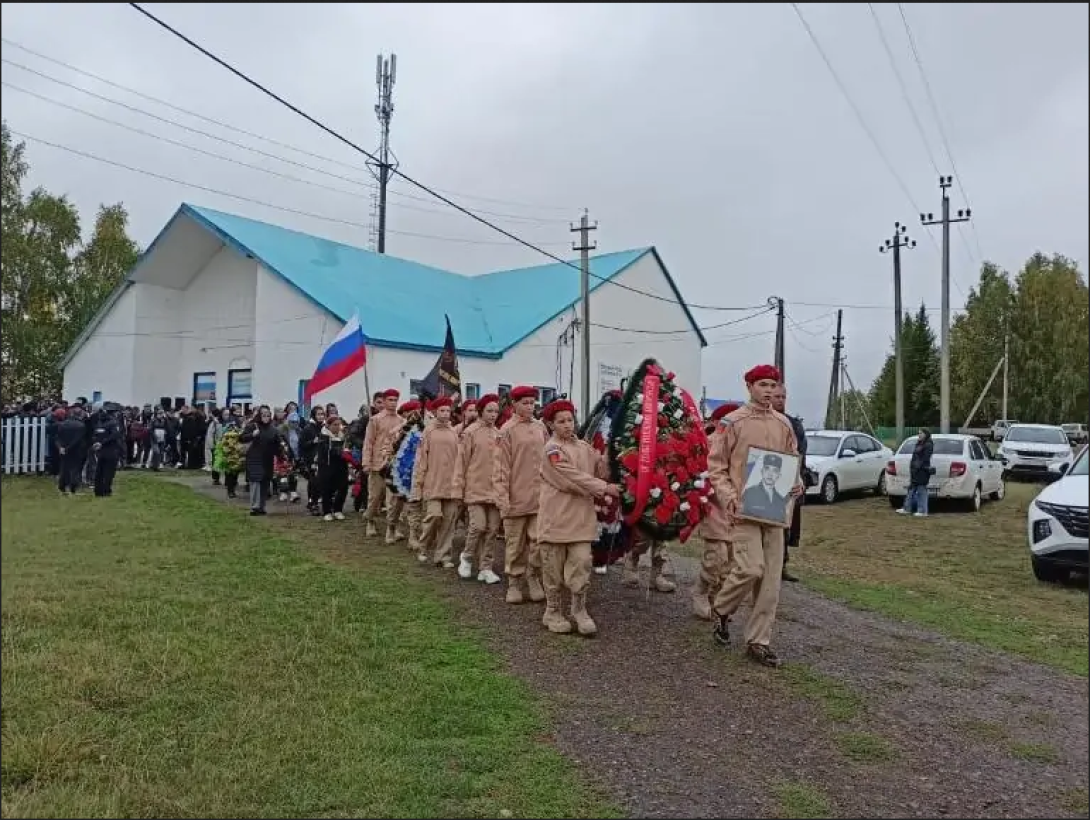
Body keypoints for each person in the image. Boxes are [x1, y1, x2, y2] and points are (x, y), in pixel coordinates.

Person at [709, 364, 802, 668]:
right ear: (748, 386)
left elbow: (792, 461)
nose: (769, 391)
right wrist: (728, 497)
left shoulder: (784, 424)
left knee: (771, 582)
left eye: (773, 385)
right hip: (744, 510)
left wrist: (796, 482)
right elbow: (717, 466)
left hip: (775, 511)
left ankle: (758, 641)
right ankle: (722, 608)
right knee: (751, 569)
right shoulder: (732, 423)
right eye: (762, 384)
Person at [537, 399, 619, 636]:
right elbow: (570, 476)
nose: (567, 425)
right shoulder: (551, 449)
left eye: (570, 420)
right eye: (561, 421)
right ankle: (552, 611)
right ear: (551, 424)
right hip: (556, 517)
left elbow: (600, 470)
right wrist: (604, 488)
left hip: (581, 519)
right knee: (553, 567)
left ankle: (579, 610)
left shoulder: (584, 447)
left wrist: (612, 455)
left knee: (582, 563)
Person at [495, 385, 548, 605]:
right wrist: (502, 498)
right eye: (524, 403)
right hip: (515, 497)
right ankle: (514, 582)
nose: (529, 406)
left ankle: (533, 577)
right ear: (514, 405)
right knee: (515, 544)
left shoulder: (540, 428)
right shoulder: (506, 430)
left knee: (539, 542)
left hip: (539, 497)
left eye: (532, 402)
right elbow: (500, 468)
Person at [692, 401, 741, 619]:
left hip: (735, 508)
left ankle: (717, 599)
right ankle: (701, 593)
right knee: (715, 557)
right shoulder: (708, 443)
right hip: (713, 506)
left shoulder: (741, 444)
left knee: (731, 561)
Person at [452, 393, 502, 584]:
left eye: (496, 411)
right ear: (481, 411)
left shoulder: (499, 434)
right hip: (474, 488)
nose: (493, 415)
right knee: (478, 525)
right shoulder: (470, 432)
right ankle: (467, 557)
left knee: (492, 529)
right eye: (489, 411)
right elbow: (461, 462)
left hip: (495, 490)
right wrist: (458, 489)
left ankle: (486, 568)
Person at [411, 397, 462, 567]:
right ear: (435, 412)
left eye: (448, 411)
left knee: (449, 521)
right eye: (442, 411)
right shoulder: (428, 432)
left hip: (451, 485)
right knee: (433, 516)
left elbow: (459, 458)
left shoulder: (454, 433)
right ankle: (423, 547)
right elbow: (421, 459)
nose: (446, 414)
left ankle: (443, 555)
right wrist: (419, 482)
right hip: (432, 483)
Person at [771, 384, 806, 582]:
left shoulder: (794, 424)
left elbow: (800, 453)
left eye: (783, 397)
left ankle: (781, 565)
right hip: (768, 477)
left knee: (786, 525)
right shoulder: (762, 422)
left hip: (790, 480)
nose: (780, 400)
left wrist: (799, 479)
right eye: (777, 396)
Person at [362, 389, 403, 538]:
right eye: (390, 400)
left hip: (394, 465)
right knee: (374, 496)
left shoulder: (401, 421)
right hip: (377, 464)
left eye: (395, 400)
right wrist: (366, 463)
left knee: (393, 499)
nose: (393, 403)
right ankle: (370, 521)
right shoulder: (375, 420)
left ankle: (392, 526)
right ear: (384, 401)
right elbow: (369, 442)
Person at [239, 405, 283, 516]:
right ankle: (254, 507)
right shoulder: (252, 426)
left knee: (265, 482)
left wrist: (281, 455)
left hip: (267, 459)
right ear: (259, 415)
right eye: (264, 415)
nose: (266, 417)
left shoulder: (273, 429)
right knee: (255, 481)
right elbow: (241, 438)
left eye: (268, 415)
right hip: (254, 458)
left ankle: (261, 506)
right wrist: (252, 435)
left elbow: (277, 445)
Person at [316, 414, 350, 521]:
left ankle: (338, 509)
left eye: (339, 425)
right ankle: (327, 511)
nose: (337, 427)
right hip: (327, 466)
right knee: (326, 489)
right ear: (329, 425)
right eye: (335, 425)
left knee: (343, 487)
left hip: (341, 466)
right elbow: (327, 451)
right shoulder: (323, 436)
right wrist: (341, 452)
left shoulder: (343, 436)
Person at [742, 453, 790, 523]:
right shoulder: (749, 493)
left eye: (775, 470)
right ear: (762, 471)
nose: (770, 474)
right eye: (767, 468)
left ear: (778, 475)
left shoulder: (781, 500)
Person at [898, 428, 934, 517]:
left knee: (921, 490)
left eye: (921, 433)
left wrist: (918, 467)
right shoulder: (919, 443)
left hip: (922, 471)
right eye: (919, 433)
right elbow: (915, 457)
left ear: (926, 434)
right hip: (915, 470)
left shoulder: (928, 445)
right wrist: (913, 468)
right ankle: (907, 508)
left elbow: (925, 459)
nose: (919, 435)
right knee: (911, 489)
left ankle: (922, 511)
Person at [91, 403, 124, 497]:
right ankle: (106, 491)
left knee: (100, 471)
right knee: (108, 472)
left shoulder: (100, 422)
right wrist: (103, 442)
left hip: (100, 450)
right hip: (111, 450)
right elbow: (115, 435)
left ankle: (98, 490)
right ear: (114, 412)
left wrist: (97, 442)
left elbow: (95, 434)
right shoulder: (113, 422)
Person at [55, 405, 88, 495]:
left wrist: (61, 447)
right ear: (80, 414)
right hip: (76, 450)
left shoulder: (62, 424)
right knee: (75, 469)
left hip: (63, 450)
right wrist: (68, 448)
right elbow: (77, 440)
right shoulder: (81, 425)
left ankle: (62, 487)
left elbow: (58, 437)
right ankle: (73, 488)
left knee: (64, 468)